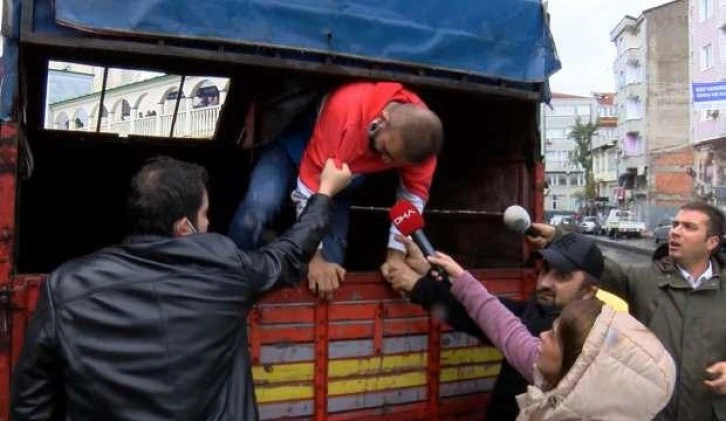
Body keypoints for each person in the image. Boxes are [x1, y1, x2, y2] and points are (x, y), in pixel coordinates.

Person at [11, 156, 352, 421]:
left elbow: (32, 401)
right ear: (183, 227)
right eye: (205, 215)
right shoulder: (224, 268)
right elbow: (289, 253)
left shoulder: (67, 285)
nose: (209, 224)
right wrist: (323, 194)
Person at [228, 81, 443, 299]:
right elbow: (310, 186)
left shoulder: (421, 142)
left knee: (331, 269)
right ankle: (227, 273)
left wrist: (396, 257)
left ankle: (275, 248)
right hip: (293, 155)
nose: (385, 161)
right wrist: (313, 257)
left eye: (394, 162)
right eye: (385, 151)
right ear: (382, 120)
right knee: (257, 209)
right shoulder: (346, 111)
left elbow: (410, 201)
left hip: (340, 176)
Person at [386, 232, 625, 420]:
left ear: (589, 292)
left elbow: (495, 321)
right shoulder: (542, 311)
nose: (544, 282)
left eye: (562, 276)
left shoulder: (575, 337)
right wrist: (429, 272)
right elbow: (492, 312)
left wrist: (420, 286)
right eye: (545, 270)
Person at [425, 246, 675, 420]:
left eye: (554, 336)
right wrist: (460, 279)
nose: (541, 336)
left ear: (578, 360)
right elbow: (506, 328)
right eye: (543, 271)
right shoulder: (561, 368)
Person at [531, 201, 726, 420]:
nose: (676, 232)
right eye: (675, 224)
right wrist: (557, 236)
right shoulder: (644, 280)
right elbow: (598, 264)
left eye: (688, 227)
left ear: (711, 242)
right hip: (651, 413)